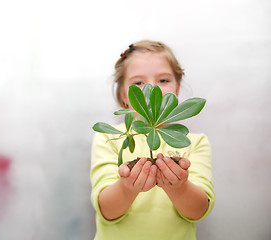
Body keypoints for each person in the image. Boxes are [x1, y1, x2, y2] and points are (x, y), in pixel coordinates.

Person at [90, 40, 215, 240]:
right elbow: (106, 209)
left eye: (163, 80)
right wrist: (127, 187)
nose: (151, 89)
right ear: (125, 95)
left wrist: (179, 187)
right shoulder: (108, 137)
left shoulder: (193, 142)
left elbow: (199, 210)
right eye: (138, 83)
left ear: (177, 88)